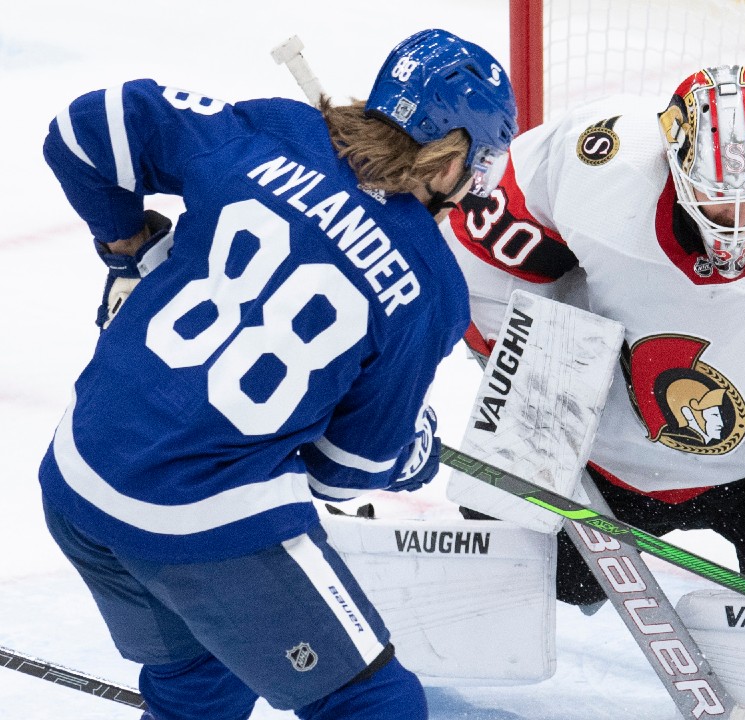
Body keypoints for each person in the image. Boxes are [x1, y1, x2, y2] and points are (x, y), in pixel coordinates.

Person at [38, 28, 516, 719]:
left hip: (79, 476)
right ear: (452, 159)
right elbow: (344, 471)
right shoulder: (431, 288)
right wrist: (406, 452)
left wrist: (128, 247)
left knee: (203, 684)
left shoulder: (278, 128)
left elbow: (86, 131)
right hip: (202, 523)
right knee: (374, 703)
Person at [442, 64, 745, 614]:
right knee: (513, 555)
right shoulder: (597, 160)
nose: (733, 224)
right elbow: (482, 264)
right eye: (713, 201)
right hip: (595, 453)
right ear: (672, 162)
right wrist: (525, 379)